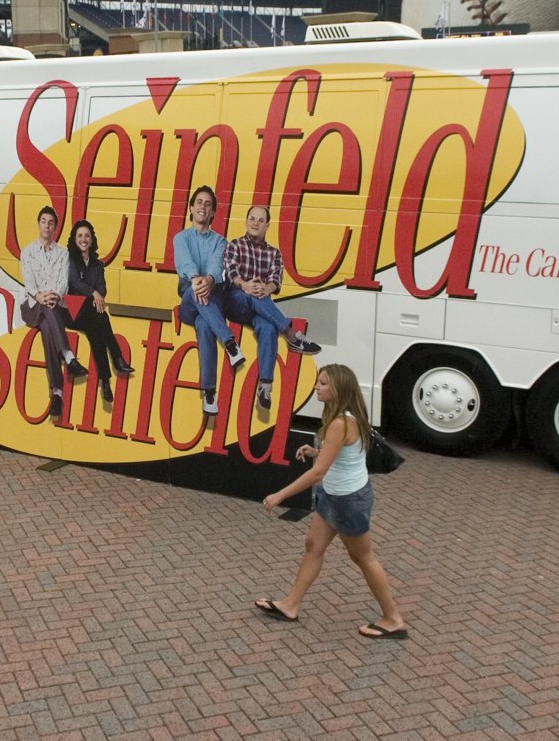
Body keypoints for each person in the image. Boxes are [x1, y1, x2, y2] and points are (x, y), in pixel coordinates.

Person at [255, 364, 408, 640]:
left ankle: (393, 619)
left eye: (323, 383)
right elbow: (344, 455)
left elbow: (318, 473)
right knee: (313, 546)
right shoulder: (345, 417)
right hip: (335, 495)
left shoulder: (340, 423)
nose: (317, 387)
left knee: (363, 557)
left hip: (348, 500)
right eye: (318, 382)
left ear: (338, 389)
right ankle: (290, 605)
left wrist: (281, 495)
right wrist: (317, 451)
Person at [223, 205, 323, 410]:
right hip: (236, 301)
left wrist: (266, 288)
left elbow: (276, 280)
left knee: (268, 328)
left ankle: (265, 385)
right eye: (252, 218)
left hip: (259, 304)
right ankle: (290, 333)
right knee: (250, 295)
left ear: (267, 225)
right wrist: (245, 285)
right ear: (246, 221)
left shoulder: (274, 253)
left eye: (260, 220)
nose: (255, 223)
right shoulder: (235, 245)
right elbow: (230, 272)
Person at [173, 186, 244, 415]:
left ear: (213, 212)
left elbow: (217, 265)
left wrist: (210, 279)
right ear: (191, 208)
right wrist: (196, 279)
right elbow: (184, 262)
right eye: (199, 203)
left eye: (208, 204)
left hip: (211, 301)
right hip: (188, 303)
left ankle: (209, 393)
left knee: (205, 326)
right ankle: (230, 344)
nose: (202, 207)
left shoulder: (221, 242)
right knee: (196, 292)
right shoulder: (181, 238)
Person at [20, 206, 87, 418]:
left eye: (51, 223)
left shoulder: (63, 253)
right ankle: (69, 358)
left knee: (48, 326)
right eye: (43, 221)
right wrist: (40, 296)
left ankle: (57, 395)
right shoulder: (27, 252)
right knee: (47, 310)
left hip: (54, 306)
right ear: (38, 223)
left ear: (55, 227)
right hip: (32, 307)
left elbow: (62, 284)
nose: (47, 226)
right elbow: (29, 284)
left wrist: (54, 296)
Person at [67, 220, 134, 404]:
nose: (83, 239)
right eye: (80, 236)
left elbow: (102, 287)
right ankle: (117, 357)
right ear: (74, 239)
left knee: (96, 333)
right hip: (73, 311)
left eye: (87, 236)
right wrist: (94, 293)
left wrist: (98, 294)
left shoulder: (98, 265)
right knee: (100, 317)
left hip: (90, 314)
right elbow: (74, 284)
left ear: (92, 239)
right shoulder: (70, 260)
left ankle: (105, 381)